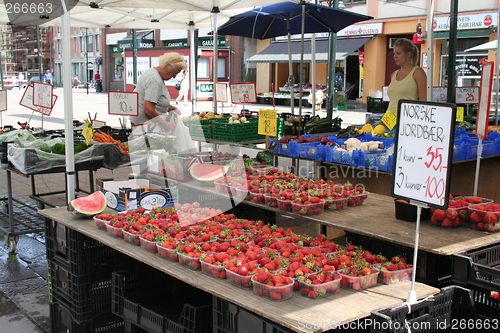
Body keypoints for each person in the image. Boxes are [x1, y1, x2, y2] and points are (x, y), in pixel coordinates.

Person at [129, 52, 186, 133]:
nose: (174, 76)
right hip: (146, 127)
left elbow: (153, 99)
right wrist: (165, 125)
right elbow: (148, 110)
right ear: (168, 66)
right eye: (175, 73)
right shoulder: (155, 80)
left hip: (143, 125)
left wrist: (168, 107)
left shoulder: (152, 72)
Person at [386, 38, 427, 116]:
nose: (395, 56)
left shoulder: (418, 72)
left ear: (408, 54)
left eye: (398, 53)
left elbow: (423, 101)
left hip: (407, 119)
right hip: (389, 119)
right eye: (394, 53)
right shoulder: (394, 74)